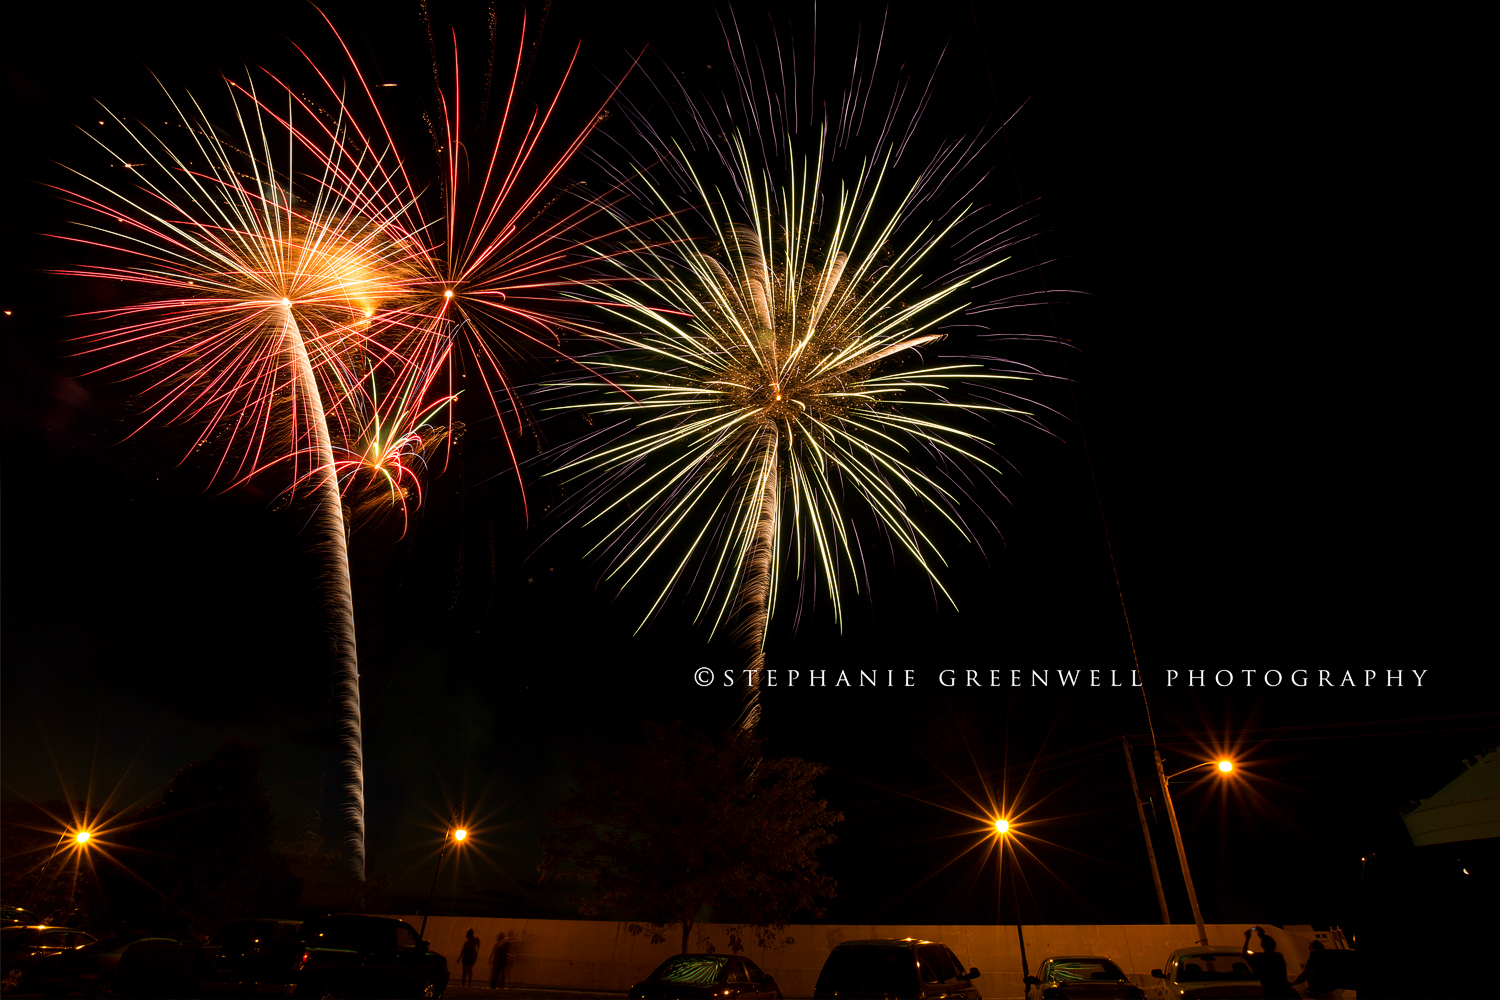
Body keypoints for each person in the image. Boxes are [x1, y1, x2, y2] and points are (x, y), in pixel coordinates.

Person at [1242, 927, 1296, 998]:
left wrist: (1248, 938)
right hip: (1283, 991)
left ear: (1262, 945)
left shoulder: (1260, 957)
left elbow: (1244, 955)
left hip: (1269, 992)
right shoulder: (1278, 956)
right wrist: (1263, 936)